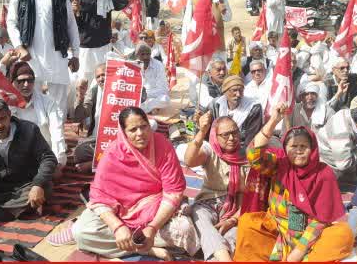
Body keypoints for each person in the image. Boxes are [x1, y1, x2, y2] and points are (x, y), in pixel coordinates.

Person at [72, 107, 197, 259]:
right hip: (119, 212)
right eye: (133, 129)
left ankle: (139, 242)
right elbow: (99, 197)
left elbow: (173, 192)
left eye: (144, 127)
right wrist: (117, 227)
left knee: (184, 230)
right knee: (81, 232)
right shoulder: (112, 154)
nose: (140, 134)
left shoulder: (163, 145)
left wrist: (152, 227)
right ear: (124, 133)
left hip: (155, 210)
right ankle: (145, 248)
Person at [234, 110, 354, 261]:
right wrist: (273, 121)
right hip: (278, 230)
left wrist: (298, 252)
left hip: (311, 237)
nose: (298, 151)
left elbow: (321, 219)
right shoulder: (279, 165)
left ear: (313, 149)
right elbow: (253, 156)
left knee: (343, 234)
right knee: (248, 223)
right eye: (293, 146)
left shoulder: (324, 173)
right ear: (285, 148)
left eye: (303, 146)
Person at [6, 0, 81, 113]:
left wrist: (76, 54)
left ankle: (57, 137)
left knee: (58, 103)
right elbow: (11, 22)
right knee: (33, 101)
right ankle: (38, 135)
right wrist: (19, 46)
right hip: (30, 54)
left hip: (56, 55)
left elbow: (71, 24)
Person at [183, 112, 263, 261]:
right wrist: (201, 132)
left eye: (234, 133)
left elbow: (251, 197)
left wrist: (232, 219)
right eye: (225, 135)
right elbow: (189, 160)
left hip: (237, 210)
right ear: (215, 136)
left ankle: (218, 258)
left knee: (233, 234)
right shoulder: (210, 150)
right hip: (208, 204)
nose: (232, 138)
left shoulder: (247, 155)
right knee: (199, 216)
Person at [76, 0, 128, 84]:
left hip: (104, 45)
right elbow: (74, 24)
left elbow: (124, 2)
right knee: (85, 79)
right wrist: (76, 12)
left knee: (104, 79)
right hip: (86, 47)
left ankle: (99, 102)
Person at [210, 75, 264, 146]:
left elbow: (251, 140)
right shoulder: (216, 105)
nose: (238, 94)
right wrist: (196, 121)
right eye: (234, 90)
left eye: (241, 90)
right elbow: (206, 130)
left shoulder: (254, 108)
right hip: (217, 148)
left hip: (241, 150)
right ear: (225, 92)